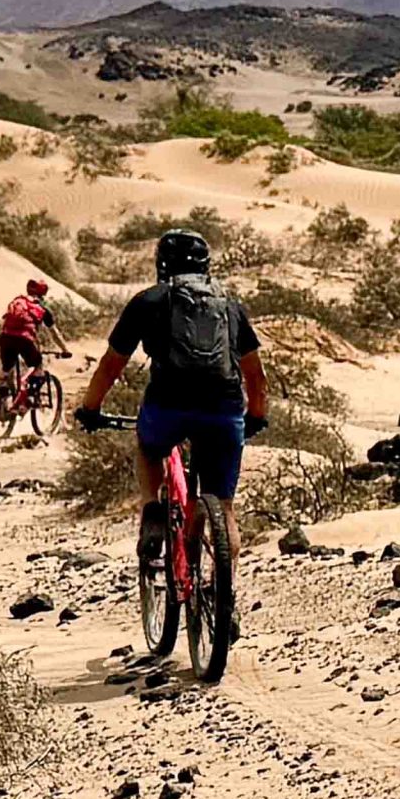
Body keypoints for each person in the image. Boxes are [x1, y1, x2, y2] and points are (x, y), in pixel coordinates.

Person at [74, 230, 268, 564]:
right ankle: (224, 601)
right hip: (223, 409)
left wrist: (91, 409)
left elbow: (109, 367)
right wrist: (255, 416)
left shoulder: (148, 301)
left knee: (149, 448)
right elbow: (255, 375)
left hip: (168, 405)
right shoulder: (229, 306)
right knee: (224, 506)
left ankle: (151, 508)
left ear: (161, 264)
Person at [0, 278, 72, 397]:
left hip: (5, 338)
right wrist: (65, 350)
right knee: (38, 365)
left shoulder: (17, 302)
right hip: (24, 340)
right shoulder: (42, 309)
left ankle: (2, 399)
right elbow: (54, 333)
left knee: (7, 369)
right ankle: (28, 398)